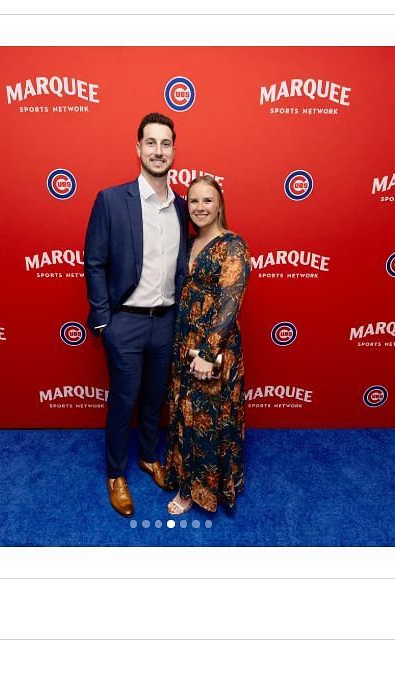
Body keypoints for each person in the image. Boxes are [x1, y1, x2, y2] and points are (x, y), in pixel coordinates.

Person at [84, 112, 193, 517]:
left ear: (174, 151)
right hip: (124, 322)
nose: (158, 151)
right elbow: (94, 262)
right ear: (138, 149)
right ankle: (116, 473)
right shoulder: (112, 200)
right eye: (151, 143)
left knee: (154, 399)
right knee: (124, 399)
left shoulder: (182, 208)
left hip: (166, 321)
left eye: (166, 144)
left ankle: (148, 456)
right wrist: (103, 321)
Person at [165, 176, 250, 515]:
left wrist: (206, 352)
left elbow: (231, 302)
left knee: (207, 419)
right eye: (194, 201)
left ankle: (199, 491)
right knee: (184, 413)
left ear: (219, 205)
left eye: (207, 201)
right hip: (182, 341)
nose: (200, 207)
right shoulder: (188, 243)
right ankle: (183, 479)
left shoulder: (233, 245)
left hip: (213, 349)